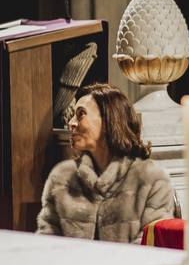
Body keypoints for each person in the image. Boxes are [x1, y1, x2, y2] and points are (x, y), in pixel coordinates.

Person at [36, 83, 175, 242]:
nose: (71, 122)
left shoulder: (151, 179)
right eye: (73, 115)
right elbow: (47, 240)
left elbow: (150, 244)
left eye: (81, 114)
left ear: (109, 120)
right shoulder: (62, 177)